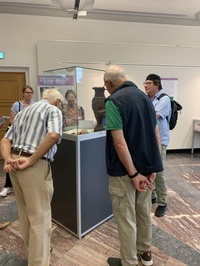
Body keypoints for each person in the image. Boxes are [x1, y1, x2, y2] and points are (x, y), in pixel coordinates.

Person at [104, 65, 163, 266]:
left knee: (126, 217)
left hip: (124, 172)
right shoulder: (146, 99)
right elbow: (156, 134)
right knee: (144, 212)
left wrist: (133, 173)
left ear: (108, 83)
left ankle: (128, 262)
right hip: (146, 169)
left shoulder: (114, 101)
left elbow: (119, 143)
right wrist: (153, 167)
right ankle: (145, 254)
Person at [0, 88, 64, 266]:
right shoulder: (53, 110)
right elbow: (53, 134)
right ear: (57, 101)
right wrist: (31, 160)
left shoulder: (22, 113)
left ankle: (33, 255)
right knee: (40, 218)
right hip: (33, 166)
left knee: (26, 214)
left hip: (15, 166)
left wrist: (7, 159)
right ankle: (39, 262)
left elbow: (5, 140)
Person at [144, 74, 171, 217]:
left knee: (159, 172)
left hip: (160, 141)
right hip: (150, 140)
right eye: (145, 83)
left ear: (157, 84)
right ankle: (153, 195)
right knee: (150, 168)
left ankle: (163, 202)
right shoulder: (149, 99)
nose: (145, 85)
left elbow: (153, 116)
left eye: (148, 83)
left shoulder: (164, 99)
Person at [0, 85, 34, 197]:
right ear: (23, 94)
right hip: (17, 136)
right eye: (27, 92)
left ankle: (23, 185)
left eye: (31, 92)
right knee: (12, 158)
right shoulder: (17, 105)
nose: (29, 94)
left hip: (29, 137)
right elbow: (12, 120)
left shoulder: (34, 106)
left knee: (26, 160)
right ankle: (7, 186)